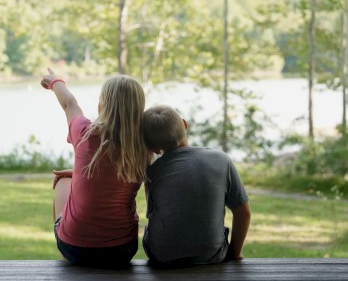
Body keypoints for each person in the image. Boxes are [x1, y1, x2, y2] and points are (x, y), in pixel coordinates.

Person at [41, 68, 149, 268]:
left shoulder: (84, 133)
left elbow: (70, 104)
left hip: (75, 248)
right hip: (122, 250)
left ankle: (66, 260)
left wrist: (55, 81)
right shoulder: (143, 146)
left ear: (102, 106)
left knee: (63, 182)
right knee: (70, 179)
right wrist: (79, 174)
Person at [142, 105, 251, 267]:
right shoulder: (221, 159)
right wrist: (235, 253)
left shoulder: (151, 171)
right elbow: (243, 212)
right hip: (211, 255)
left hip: (162, 256)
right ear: (185, 124)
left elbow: (152, 214)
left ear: (151, 147)